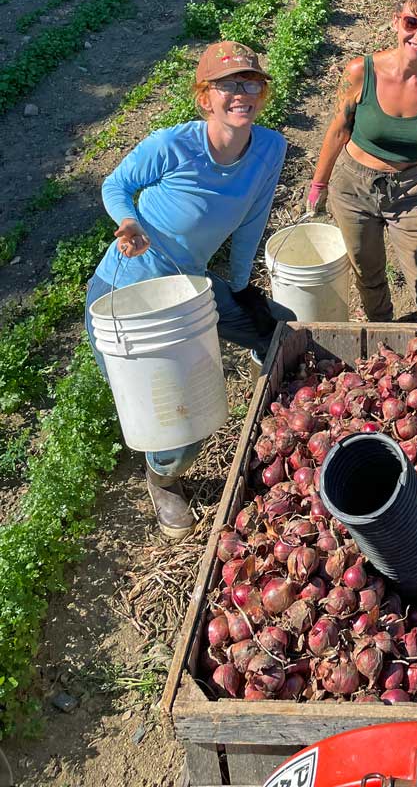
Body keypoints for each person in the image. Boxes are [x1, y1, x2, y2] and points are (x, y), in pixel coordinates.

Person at [85, 41, 288, 539]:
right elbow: (115, 185)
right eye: (227, 85)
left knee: (278, 331)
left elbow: (251, 223)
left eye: (250, 83)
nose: (240, 94)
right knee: (178, 428)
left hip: (189, 285)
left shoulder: (268, 148)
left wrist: (241, 290)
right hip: (127, 296)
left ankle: (285, 419)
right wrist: (129, 221)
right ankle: (163, 478)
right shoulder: (172, 145)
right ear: (204, 98)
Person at [305, 0, 417, 323]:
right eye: (412, 21)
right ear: (396, 20)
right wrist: (319, 186)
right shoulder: (361, 71)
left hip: (410, 189)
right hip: (353, 187)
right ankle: (383, 341)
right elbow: (338, 130)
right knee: (369, 277)